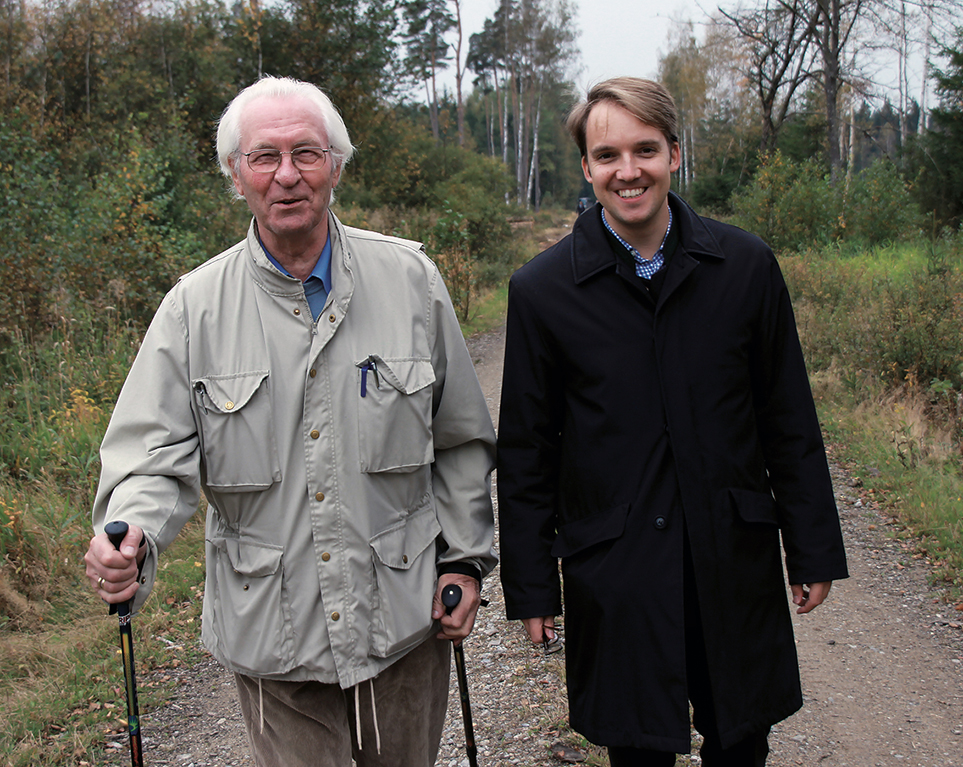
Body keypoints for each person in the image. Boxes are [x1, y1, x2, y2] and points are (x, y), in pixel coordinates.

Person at [83, 75, 497, 767]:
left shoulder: (411, 280)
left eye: (306, 153)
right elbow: (150, 458)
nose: (286, 175)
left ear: (335, 164)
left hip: (403, 619)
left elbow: (458, 440)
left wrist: (464, 560)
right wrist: (130, 537)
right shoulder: (193, 310)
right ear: (234, 174)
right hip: (270, 633)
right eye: (264, 157)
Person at [496, 77, 848, 767]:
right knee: (636, 745)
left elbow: (788, 420)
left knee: (741, 737)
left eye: (644, 149)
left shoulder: (744, 266)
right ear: (587, 168)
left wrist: (810, 548)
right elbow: (527, 452)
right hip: (617, 569)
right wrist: (532, 584)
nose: (627, 171)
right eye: (607, 155)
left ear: (674, 155)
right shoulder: (541, 291)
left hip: (731, 556)